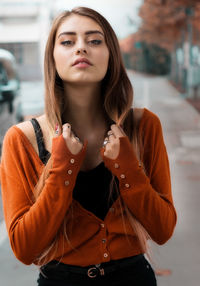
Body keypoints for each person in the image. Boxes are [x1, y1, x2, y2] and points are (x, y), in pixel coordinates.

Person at [0, 6, 177, 286]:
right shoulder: (22, 139)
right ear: (53, 58)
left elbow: (163, 229)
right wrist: (61, 167)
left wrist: (127, 168)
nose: (81, 48)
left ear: (111, 56)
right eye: (68, 41)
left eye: (95, 41)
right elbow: (24, 248)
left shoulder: (143, 125)